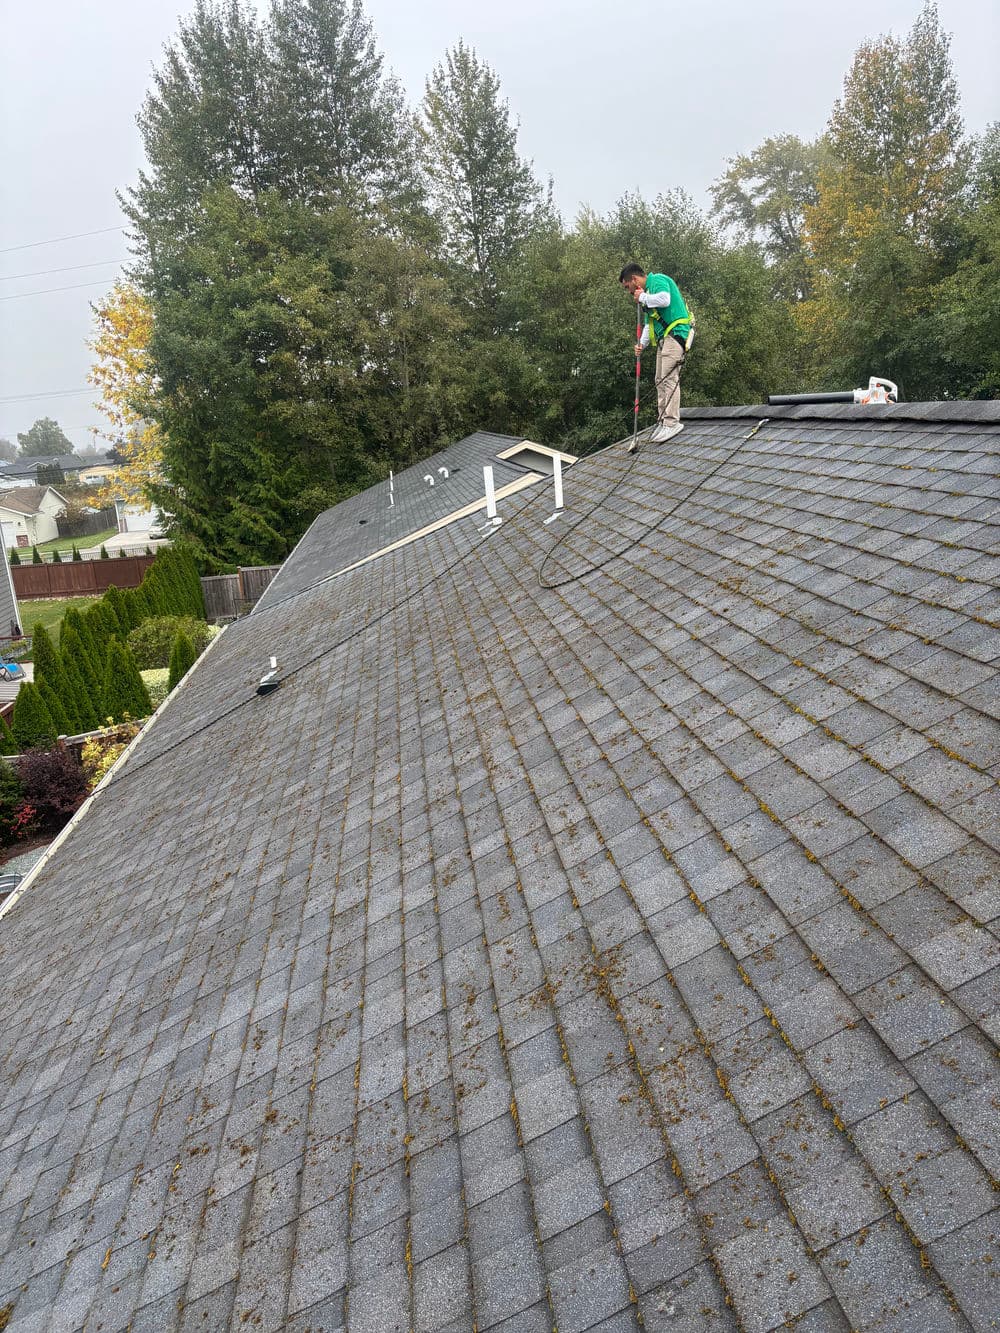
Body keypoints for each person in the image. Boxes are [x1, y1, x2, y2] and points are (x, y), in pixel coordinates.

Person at [619, 262, 692, 444]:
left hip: (675, 335)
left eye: (627, 286)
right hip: (663, 339)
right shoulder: (646, 296)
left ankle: (672, 422)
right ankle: (663, 420)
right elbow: (649, 323)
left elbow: (665, 299)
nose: (628, 291)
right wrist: (641, 345)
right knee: (659, 379)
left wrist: (643, 297)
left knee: (669, 378)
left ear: (635, 280)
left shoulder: (657, 281)